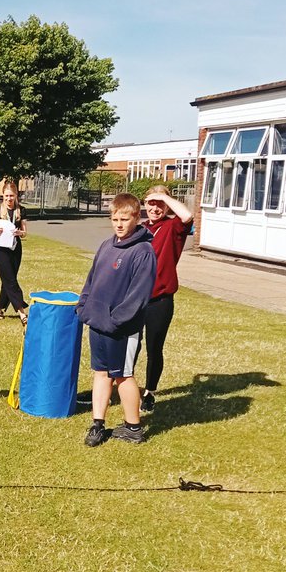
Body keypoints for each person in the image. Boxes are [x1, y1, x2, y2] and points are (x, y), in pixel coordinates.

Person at [76, 193, 157, 446]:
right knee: (101, 374)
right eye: (114, 219)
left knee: (123, 375)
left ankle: (133, 428)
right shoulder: (106, 245)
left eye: (124, 218)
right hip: (97, 323)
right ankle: (98, 424)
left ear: (136, 217)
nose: (119, 224)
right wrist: (84, 306)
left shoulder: (143, 252)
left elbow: (139, 296)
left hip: (122, 329)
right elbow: (92, 279)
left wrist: (116, 320)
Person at [136, 185, 194, 415]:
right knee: (131, 344)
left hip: (160, 299)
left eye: (160, 203)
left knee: (154, 347)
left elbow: (187, 216)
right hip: (136, 299)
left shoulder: (172, 227)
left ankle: (150, 392)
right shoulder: (140, 230)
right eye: (151, 203)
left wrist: (163, 196)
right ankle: (124, 385)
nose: (155, 208)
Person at [0, 180, 28, 324]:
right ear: (2, 196)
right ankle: (21, 311)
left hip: (15, 249)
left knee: (8, 279)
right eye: (6, 196)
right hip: (0, 250)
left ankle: (0, 307)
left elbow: (25, 233)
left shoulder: (20, 210)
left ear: (16, 195)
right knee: (11, 280)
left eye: (11, 196)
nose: (9, 199)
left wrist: (19, 233)